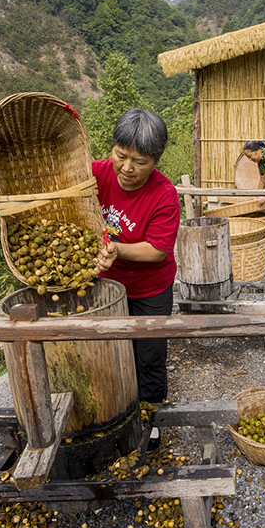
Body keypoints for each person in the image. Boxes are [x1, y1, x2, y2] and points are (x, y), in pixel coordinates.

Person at [93, 108, 180, 449]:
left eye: (139, 161)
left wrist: (116, 249)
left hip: (149, 289)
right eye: (121, 156)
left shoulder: (164, 194)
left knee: (149, 355)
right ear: (112, 149)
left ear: (156, 160)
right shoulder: (95, 174)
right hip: (105, 288)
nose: (127, 168)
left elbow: (157, 250)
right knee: (112, 352)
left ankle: (153, 417)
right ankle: (117, 414)